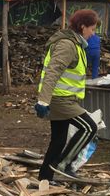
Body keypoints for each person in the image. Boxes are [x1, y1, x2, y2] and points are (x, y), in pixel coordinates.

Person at [34, 9, 98, 181]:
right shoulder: (67, 45)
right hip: (60, 100)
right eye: (92, 29)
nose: (93, 33)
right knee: (89, 128)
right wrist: (43, 101)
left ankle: (45, 178)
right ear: (82, 26)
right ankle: (63, 165)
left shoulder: (75, 44)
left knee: (58, 140)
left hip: (64, 98)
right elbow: (52, 72)